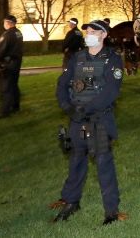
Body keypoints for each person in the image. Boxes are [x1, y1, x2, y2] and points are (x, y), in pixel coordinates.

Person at [52, 19, 124, 225]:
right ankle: (71, 201)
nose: (88, 34)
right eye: (87, 31)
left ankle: (111, 210)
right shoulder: (78, 57)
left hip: (98, 120)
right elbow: (62, 84)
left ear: (103, 35)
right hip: (77, 121)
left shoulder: (112, 59)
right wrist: (68, 107)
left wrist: (85, 109)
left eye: (93, 31)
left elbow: (111, 91)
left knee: (103, 163)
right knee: (76, 160)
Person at [0, 15, 24, 119]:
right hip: (16, 62)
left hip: (8, 64)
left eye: (4, 22)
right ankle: (16, 106)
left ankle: (4, 112)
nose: (3, 25)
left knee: (6, 87)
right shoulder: (19, 33)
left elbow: (1, 49)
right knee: (14, 85)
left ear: (8, 23)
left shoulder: (7, 34)